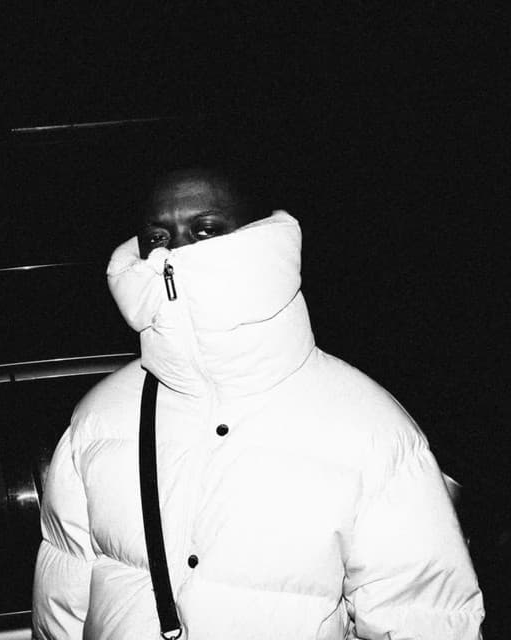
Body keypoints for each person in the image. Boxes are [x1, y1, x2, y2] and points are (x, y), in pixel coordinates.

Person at [32, 166, 484, 639]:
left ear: (258, 236)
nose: (176, 252)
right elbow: (64, 604)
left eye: (205, 229)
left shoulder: (370, 426)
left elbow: (423, 620)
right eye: (157, 237)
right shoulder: (100, 417)